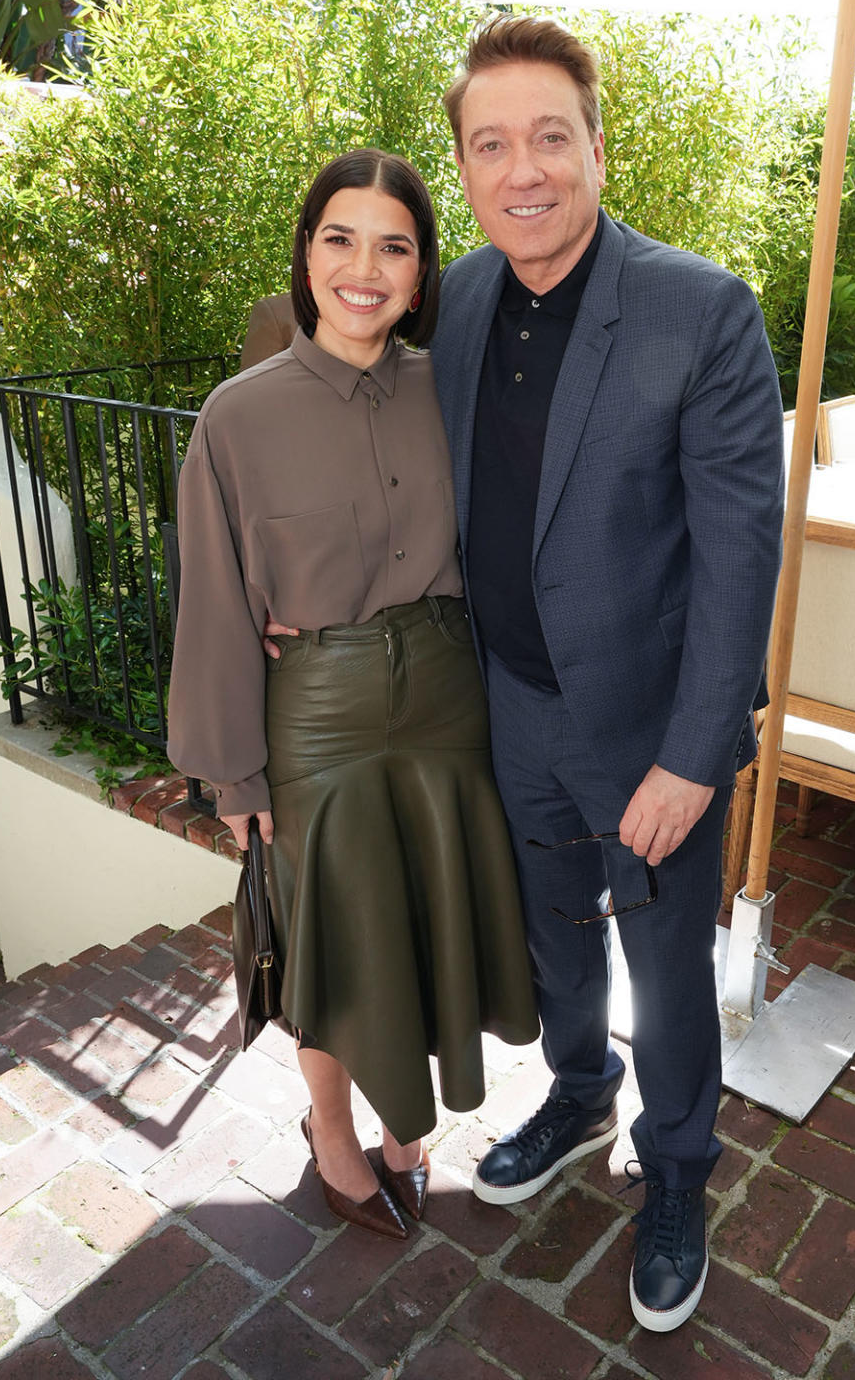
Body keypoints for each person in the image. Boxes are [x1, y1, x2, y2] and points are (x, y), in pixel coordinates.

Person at [430, 16, 784, 1332]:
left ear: (594, 145)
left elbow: (744, 554)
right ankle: (579, 1095)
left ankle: (679, 1162)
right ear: (464, 167)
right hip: (511, 708)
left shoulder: (700, 309)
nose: (524, 170)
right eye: (491, 144)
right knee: (556, 942)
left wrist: (697, 754)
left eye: (550, 138)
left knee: (666, 967)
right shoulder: (459, 298)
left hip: (650, 733)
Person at [167, 148, 538, 1242]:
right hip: (316, 721)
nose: (364, 269)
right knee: (332, 940)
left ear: (423, 277)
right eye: (341, 238)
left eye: (394, 246)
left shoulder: (457, 393)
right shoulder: (236, 419)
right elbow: (218, 603)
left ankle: (410, 1133)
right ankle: (331, 1129)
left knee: (422, 924)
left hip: (447, 698)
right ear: (306, 253)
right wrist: (231, 770)